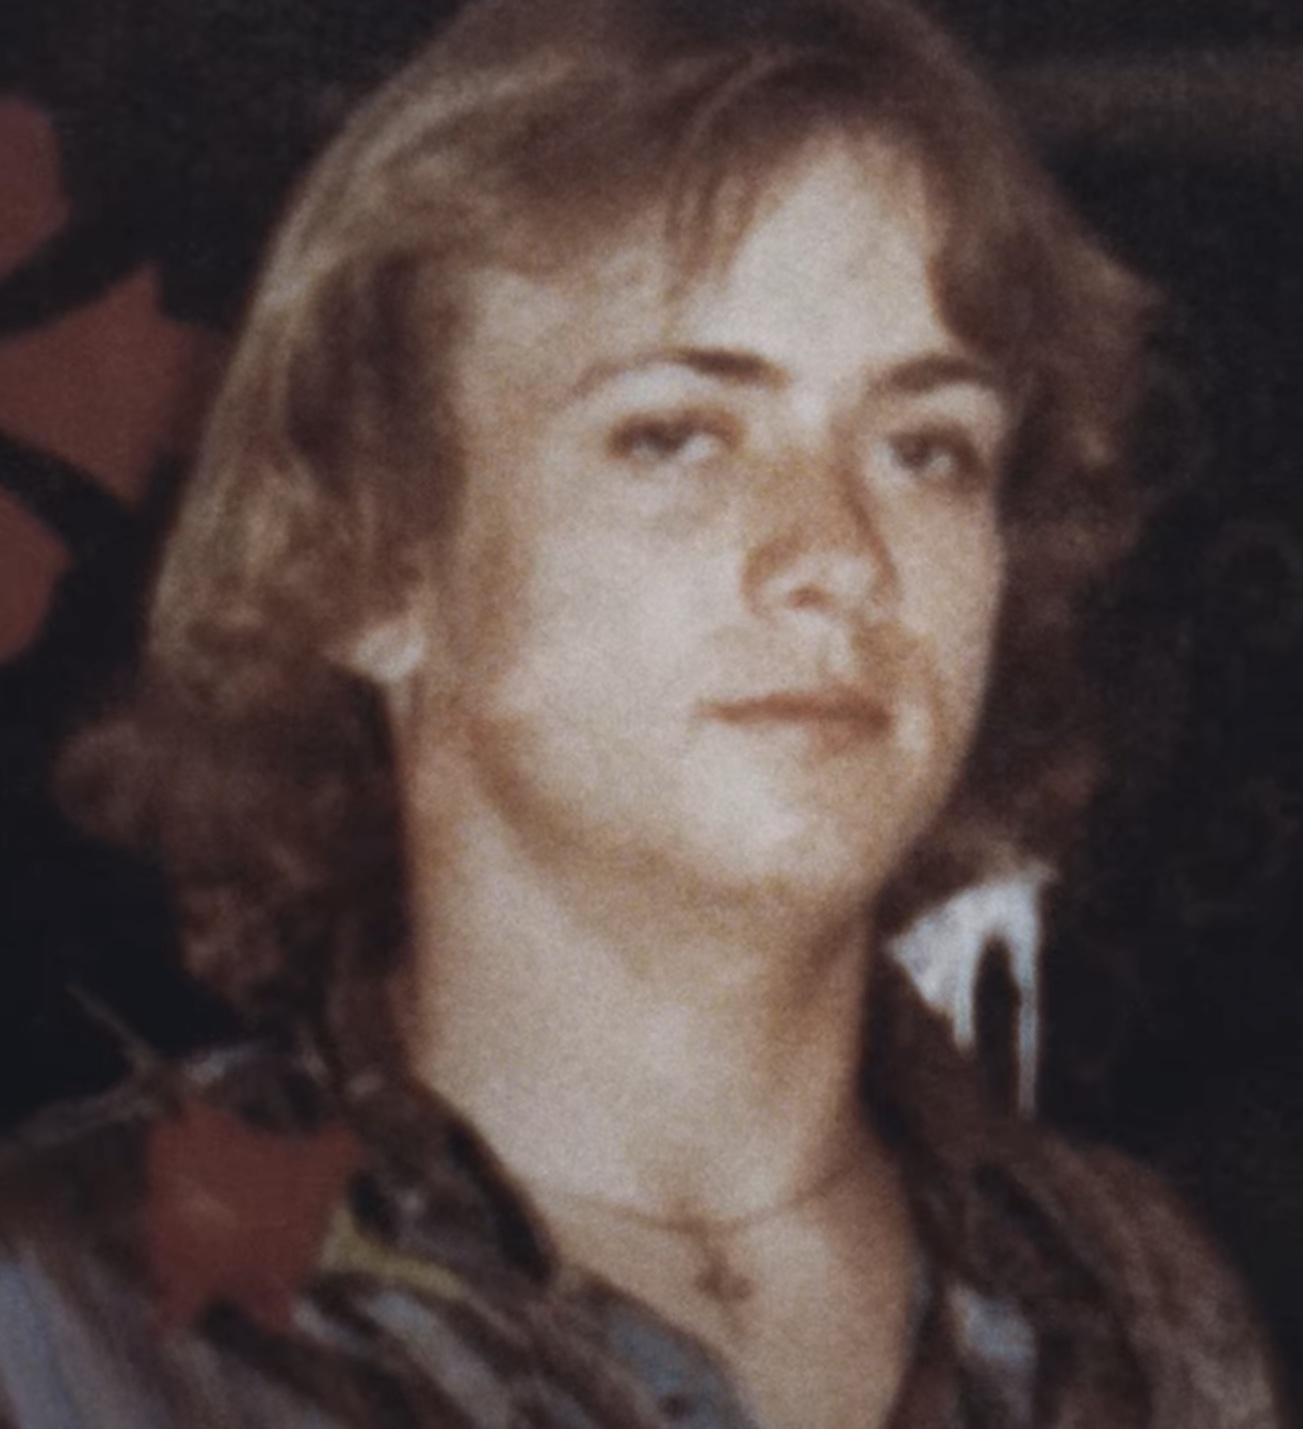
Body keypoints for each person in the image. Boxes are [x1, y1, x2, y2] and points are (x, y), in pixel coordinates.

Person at [0, 0, 1284, 1424]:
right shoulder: (77, 1309)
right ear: (370, 559)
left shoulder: (1139, 1314)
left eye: (928, 448)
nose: (841, 557)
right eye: (675, 435)